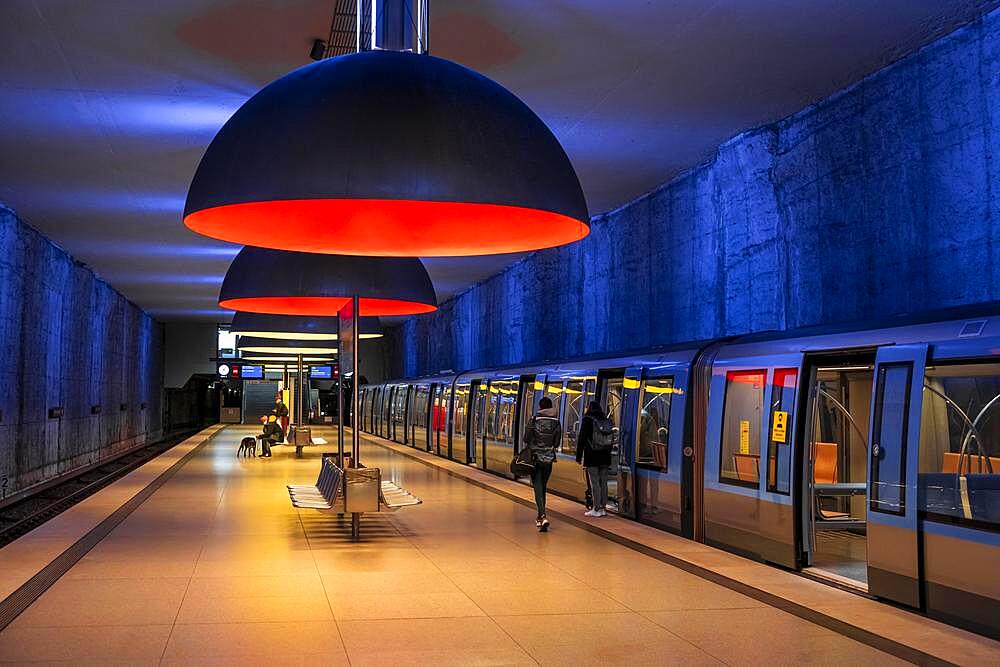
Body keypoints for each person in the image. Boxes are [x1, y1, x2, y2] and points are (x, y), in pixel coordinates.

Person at [522, 396, 562, 532]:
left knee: (537, 486)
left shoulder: (534, 420)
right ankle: (540, 515)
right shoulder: (557, 423)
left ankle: (542, 515)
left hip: (535, 458)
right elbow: (556, 443)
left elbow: (526, 438)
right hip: (549, 459)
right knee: (543, 485)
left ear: (540, 407)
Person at [576, 400, 613, 517]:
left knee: (595, 482)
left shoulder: (587, 420)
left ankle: (596, 508)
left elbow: (582, 438)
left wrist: (578, 456)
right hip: (605, 456)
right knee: (604, 482)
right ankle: (603, 508)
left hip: (592, 455)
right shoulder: (606, 420)